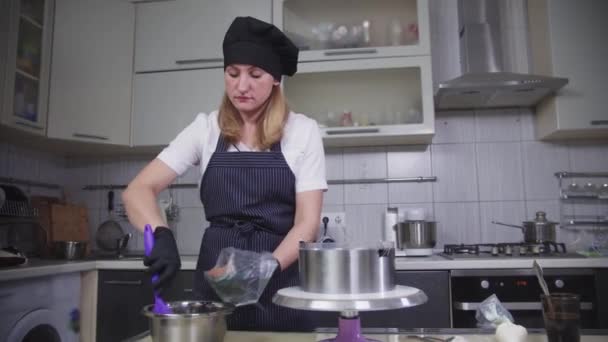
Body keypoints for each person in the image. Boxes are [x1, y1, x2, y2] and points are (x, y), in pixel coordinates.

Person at [122, 16, 327, 331]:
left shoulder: (302, 131)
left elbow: (308, 224)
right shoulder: (206, 128)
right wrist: (160, 234)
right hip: (216, 294)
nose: (241, 86)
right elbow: (138, 190)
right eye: (232, 74)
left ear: (275, 78)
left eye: (255, 74)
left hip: (282, 286)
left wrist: (263, 267)